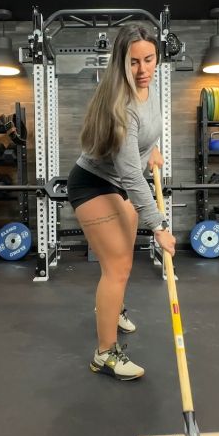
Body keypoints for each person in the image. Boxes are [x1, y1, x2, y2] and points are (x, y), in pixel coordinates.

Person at [67, 24, 177, 381]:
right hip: (92, 184)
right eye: (133, 62)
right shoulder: (121, 106)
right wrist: (159, 225)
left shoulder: (150, 86)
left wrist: (151, 148)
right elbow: (131, 175)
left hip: (116, 183)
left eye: (149, 59)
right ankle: (104, 354)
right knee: (117, 267)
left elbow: (144, 135)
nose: (143, 70)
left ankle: (112, 310)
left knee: (124, 257)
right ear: (120, 63)